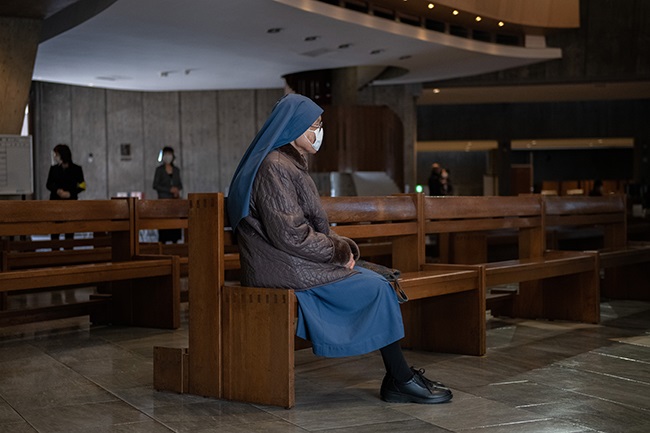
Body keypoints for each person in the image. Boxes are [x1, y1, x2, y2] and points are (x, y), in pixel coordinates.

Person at [227, 93, 452, 404]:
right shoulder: (275, 166)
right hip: (282, 268)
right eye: (315, 125)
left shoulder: (285, 163)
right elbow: (290, 235)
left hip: (288, 262)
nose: (320, 132)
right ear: (294, 128)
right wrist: (339, 252)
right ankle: (400, 379)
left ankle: (400, 377)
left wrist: (339, 252)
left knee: (380, 280)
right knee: (377, 287)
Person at [46, 144, 86, 240]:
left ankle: (68, 250)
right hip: (56, 203)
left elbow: (82, 186)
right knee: (55, 231)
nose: (55, 157)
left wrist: (70, 193)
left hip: (70, 203)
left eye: (56, 154)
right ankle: (55, 251)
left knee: (69, 231)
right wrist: (57, 190)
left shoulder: (76, 169)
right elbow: (48, 184)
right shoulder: (54, 169)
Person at [153, 146, 183, 243]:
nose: (168, 157)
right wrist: (169, 190)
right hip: (163, 201)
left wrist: (176, 190)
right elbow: (155, 185)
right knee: (164, 228)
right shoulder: (159, 170)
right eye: (166, 154)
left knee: (175, 228)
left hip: (175, 202)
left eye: (169, 154)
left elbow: (180, 184)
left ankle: (175, 244)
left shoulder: (176, 170)